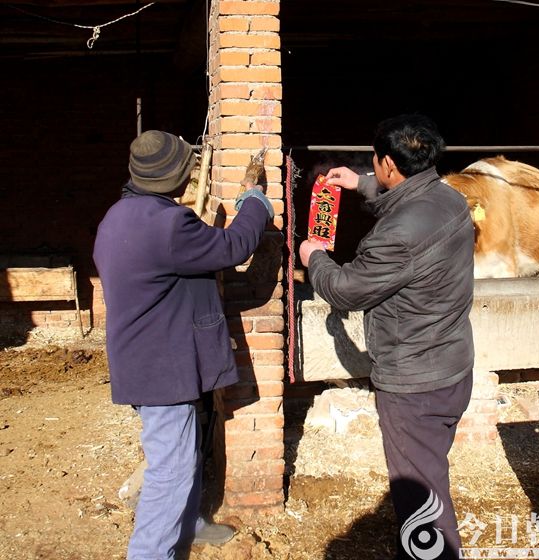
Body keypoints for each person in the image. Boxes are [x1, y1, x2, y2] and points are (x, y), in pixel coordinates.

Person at [299, 114, 475, 560]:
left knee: (422, 501)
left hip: (414, 384)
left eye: (375, 162)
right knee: (430, 472)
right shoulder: (450, 199)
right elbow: (410, 202)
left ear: (389, 164)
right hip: (452, 366)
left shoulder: (396, 237)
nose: (374, 167)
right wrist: (360, 182)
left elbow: (346, 290)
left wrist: (314, 257)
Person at [93, 130, 273, 559]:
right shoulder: (169, 224)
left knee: (182, 453)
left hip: (145, 358)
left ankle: (188, 523)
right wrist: (254, 200)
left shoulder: (117, 215)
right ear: (175, 176)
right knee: (170, 471)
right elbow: (233, 246)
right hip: (163, 367)